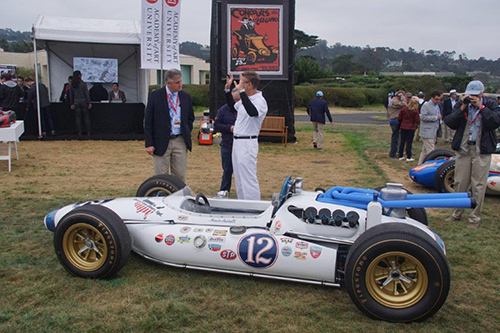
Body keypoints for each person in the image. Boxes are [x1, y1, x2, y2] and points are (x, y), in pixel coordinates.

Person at [444, 81, 500, 228]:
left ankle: (474, 218)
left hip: (481, 150)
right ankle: (457, 213)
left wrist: (481, 108)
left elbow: (495, 122)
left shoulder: (491, 104)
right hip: (464, 149)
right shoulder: (462, 105)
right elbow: (449, 122)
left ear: (482, 93)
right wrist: (462, 107)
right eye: (470, 95)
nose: (473, 97)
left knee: (478, 185)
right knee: (460, 182)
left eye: (476, 95)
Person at [144, 69, 195, 182]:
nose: (180, 85)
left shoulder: (185, 96)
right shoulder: (156, 95)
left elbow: (190, 117)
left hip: (179, 140)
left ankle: (178, 197)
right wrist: (149, 143)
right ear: (168, 83)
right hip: (161, 140)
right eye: (177, 83)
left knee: (180, 176)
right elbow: (148, 121)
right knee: (161, 176)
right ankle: (162, 196)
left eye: (181, 81)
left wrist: (186, 130)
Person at [225, 71, 268, 200]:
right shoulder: (245, 100)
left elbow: (253, 112)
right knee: (238, 177)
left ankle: (254, 206)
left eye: (241, 82)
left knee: (248, 177)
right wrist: (227, 90)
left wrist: (242, 92)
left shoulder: (260, 101)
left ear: (249, 84)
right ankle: (243, 204)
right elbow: (233, 108)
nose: (238, 84)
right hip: (237, 141)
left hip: (248, 142)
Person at [214, 87, 240, 195]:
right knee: (227, 170)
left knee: (241, 171)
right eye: (234, 100)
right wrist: (229, 128)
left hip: (241, 145)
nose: (235, 102)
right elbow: (217, 125)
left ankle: (243, 193)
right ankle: (224, 191)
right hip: (227, 144)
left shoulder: (245, 109)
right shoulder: (224, 110)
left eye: (238, 100)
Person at [418, 91, 443, 165]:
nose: (438, 101)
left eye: (439, 99)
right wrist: (435, 117)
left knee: (425, 152)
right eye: (436, 99)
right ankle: (430, 166)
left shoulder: (437, 105)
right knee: (431, 152)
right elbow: (423, 117)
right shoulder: (426, 105)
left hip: (433, 130)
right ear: (432, 98)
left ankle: (420, 165)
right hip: (427, 132)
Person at [69, 70, 92, 136]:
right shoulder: (83, 84)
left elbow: (71, 95)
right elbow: (86, 94)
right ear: (79, 75)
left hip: (76, 102)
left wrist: (71, 103)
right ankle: (88, 132)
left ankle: (79, 132)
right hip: (84, 102)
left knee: (78, 118)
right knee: (86, 117)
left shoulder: (72, 84)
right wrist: (89, 102)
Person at [397, 96, 420, 161]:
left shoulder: (404, 109)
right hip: (411, 127)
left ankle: (400, 155)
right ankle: (408, 156)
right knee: (409, 142)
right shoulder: (415, 111)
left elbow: (400, 117)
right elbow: (417, 120)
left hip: (403, 126)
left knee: (402, 141)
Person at [387, 90, 407, 158]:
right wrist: (403, 98)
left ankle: (394, 152)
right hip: (395, 120)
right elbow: (404, 104)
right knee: (396, 137)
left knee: (396, 137)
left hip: (393, 119)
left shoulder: (393, 101)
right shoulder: (395, 101)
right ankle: (393, 153)